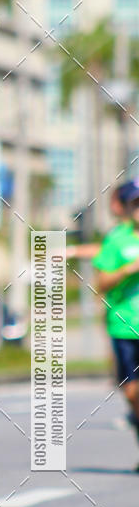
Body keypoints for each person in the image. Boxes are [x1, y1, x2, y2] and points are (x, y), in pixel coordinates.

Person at [93, 180, 139, 451]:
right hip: (124, 326)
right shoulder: (116, 239)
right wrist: (128, 269)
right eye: (135, 204)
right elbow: (101, 283)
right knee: (132, 393)